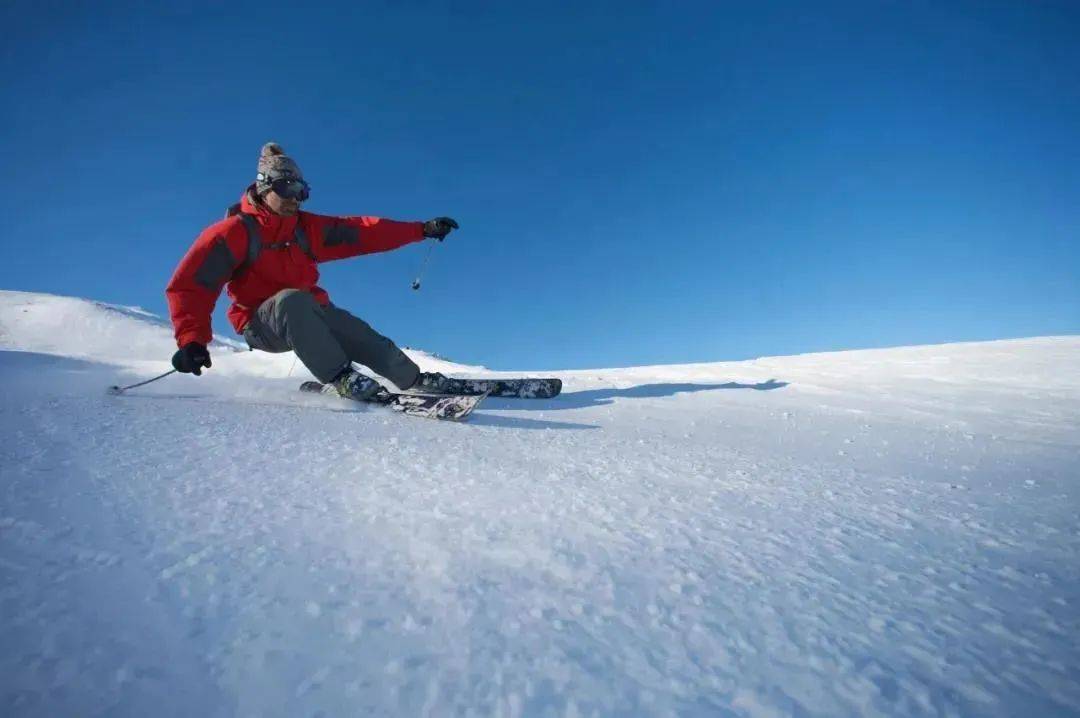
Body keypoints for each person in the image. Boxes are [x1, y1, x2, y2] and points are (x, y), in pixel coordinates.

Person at [166, 142, 458, 400]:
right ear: (264, 187)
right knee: (294, 300)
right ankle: (341, 379)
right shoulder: (233, 233)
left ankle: (412, 379)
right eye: (287, 189)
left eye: (302, 191)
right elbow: (192, 286)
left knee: (357, 332)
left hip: (308, 312)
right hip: (261, 324)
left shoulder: (306, 229)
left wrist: (421, 229)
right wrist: (192, 340)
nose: (295, 198)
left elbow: (363, 232)